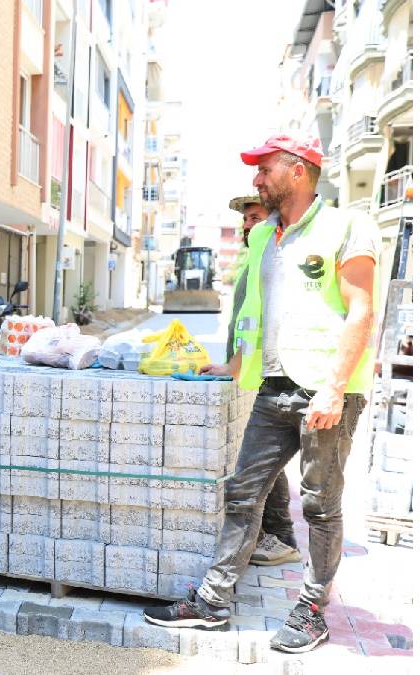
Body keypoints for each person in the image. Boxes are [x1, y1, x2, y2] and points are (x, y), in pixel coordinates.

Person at [144, 132, 378, 654]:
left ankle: (312, 610)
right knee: (242, 491)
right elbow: (254, 310)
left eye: (264, 168)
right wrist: (236, 364)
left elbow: (361, 311)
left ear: (297, 170)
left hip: (325, 392)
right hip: (273, 387)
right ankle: (213, 601)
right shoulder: (263, 236)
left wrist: (335, 389)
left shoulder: (347, 227)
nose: (256, 178)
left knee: (320, 504)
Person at [226, 194, 301, 568]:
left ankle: (280, 536)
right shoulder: (254, 258)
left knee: (264, 464)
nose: (246, 225)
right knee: (267, 462)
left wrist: (236, 366)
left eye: (253, 217)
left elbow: (262, 323)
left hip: (273, 377)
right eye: (244, 220)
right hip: (253, 376)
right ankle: (276, 536)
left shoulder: (276, 257)